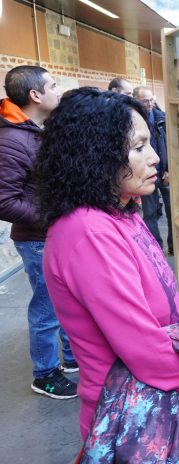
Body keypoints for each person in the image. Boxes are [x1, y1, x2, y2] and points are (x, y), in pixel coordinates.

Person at [35, 88, 179, 440]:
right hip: (134, 426)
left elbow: (173, 304)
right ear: (96, 154)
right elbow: (143, 347)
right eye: (139, 147)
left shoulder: (123, 213)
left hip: (162, 406)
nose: (155, 157)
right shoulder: (87, 232)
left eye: (150, 144)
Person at [0, 65, 77, 399]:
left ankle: (72, 359)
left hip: (52, 235)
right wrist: (49, 218)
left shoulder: (35, 130)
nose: (57, 91)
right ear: (35, 95)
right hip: (37, 240)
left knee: (67, 302)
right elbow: (4, 200)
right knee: (47, 309)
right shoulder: (13, 139)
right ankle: (44, 373)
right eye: (53, 85)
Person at [133, 85, 173, 254]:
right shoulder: (133, 122)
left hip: (165, 173)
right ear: (136, 101)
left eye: (151, 100)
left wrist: (169, 170)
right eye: (145, 101)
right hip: (147, 173)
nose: (149, 104)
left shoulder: (162, 119)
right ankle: (156, 249)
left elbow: (172, 146)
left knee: (172, 210)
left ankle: (174, 245)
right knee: (150, 214)